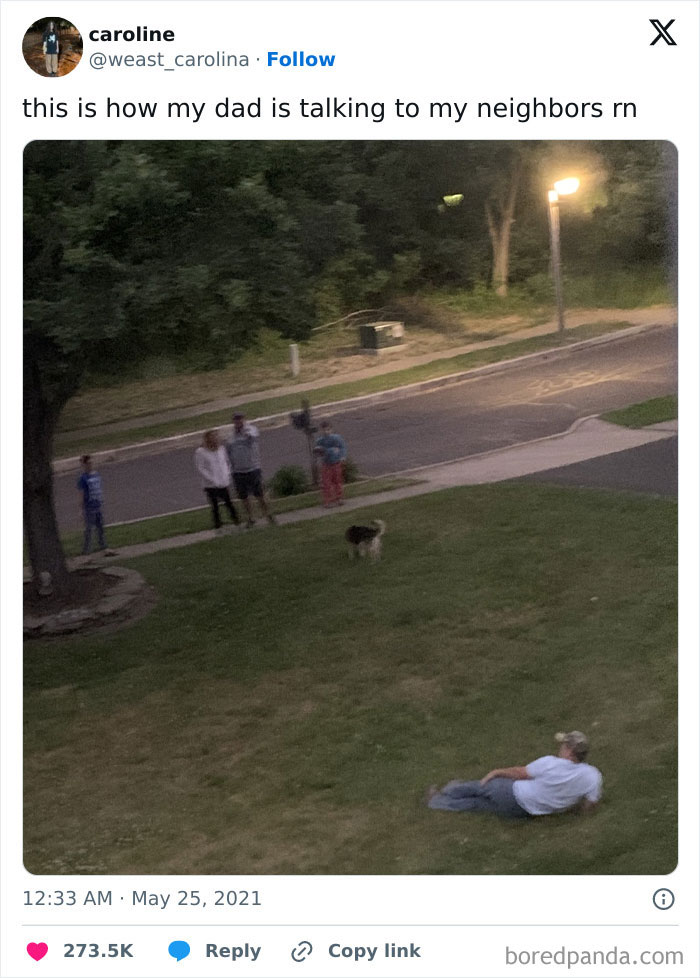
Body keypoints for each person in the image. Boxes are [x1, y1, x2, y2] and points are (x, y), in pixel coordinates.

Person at [427, 731, 602, 819]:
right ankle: (441, 802)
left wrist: (496, 772)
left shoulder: (550, 763)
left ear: (570, 752)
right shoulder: (593, 776)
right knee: (477, 805)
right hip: (527, 812)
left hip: (515, 793)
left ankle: (445, 793)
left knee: (481, 786)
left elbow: (520, 773)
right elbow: (590, 803)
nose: (561, 748)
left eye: (564, 746)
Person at [226, 413, 276, 528]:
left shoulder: (251, 430)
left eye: (240, 419)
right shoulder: (230, 436)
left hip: (253, 469)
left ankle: (268, 515)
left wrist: (243, 431)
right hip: (238, 471)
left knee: (260, 494)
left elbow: (252, 436)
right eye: (236, 420)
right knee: (244, 497)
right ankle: (251, 518)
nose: (238, 422)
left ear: (244, 420)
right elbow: (229, 452)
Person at [194, 430, 241, 532]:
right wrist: (212, 479)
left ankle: (236, 520)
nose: (215, 439)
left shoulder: (221, 449)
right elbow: (201, 468)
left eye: (216, 437)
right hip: (211, 484)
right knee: (215, 506)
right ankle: (217, 524)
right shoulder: (201, 452)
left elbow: (226, 463)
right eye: (212, 437)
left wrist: (227, 475)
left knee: (229, 503)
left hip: (223, 481)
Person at [77, 454, 112, 555]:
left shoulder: (96, 475)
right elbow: (81, 494)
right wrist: (81, 509)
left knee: (100, 527)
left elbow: (98, 489)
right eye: (87, 463)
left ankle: (103, 546)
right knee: (89, 529)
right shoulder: (83, 479)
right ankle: (86, 550)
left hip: (98, 505)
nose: (90, 465)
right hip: (89, 507)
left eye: (91, 463)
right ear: (83, 465)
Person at [314, 420, 347, 508]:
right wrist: (321, 451)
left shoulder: (337, 438)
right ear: (321, 430)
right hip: (326, 464)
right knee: (326, 483)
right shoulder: (320, 441)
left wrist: (343, 456)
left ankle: (339, 498)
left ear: (331, 429)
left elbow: (342, 447)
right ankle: (327, 501)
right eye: (324, 430)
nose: (326, 432)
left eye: (328, 430)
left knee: (337, 481)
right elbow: (318, 452)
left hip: (336, 463)